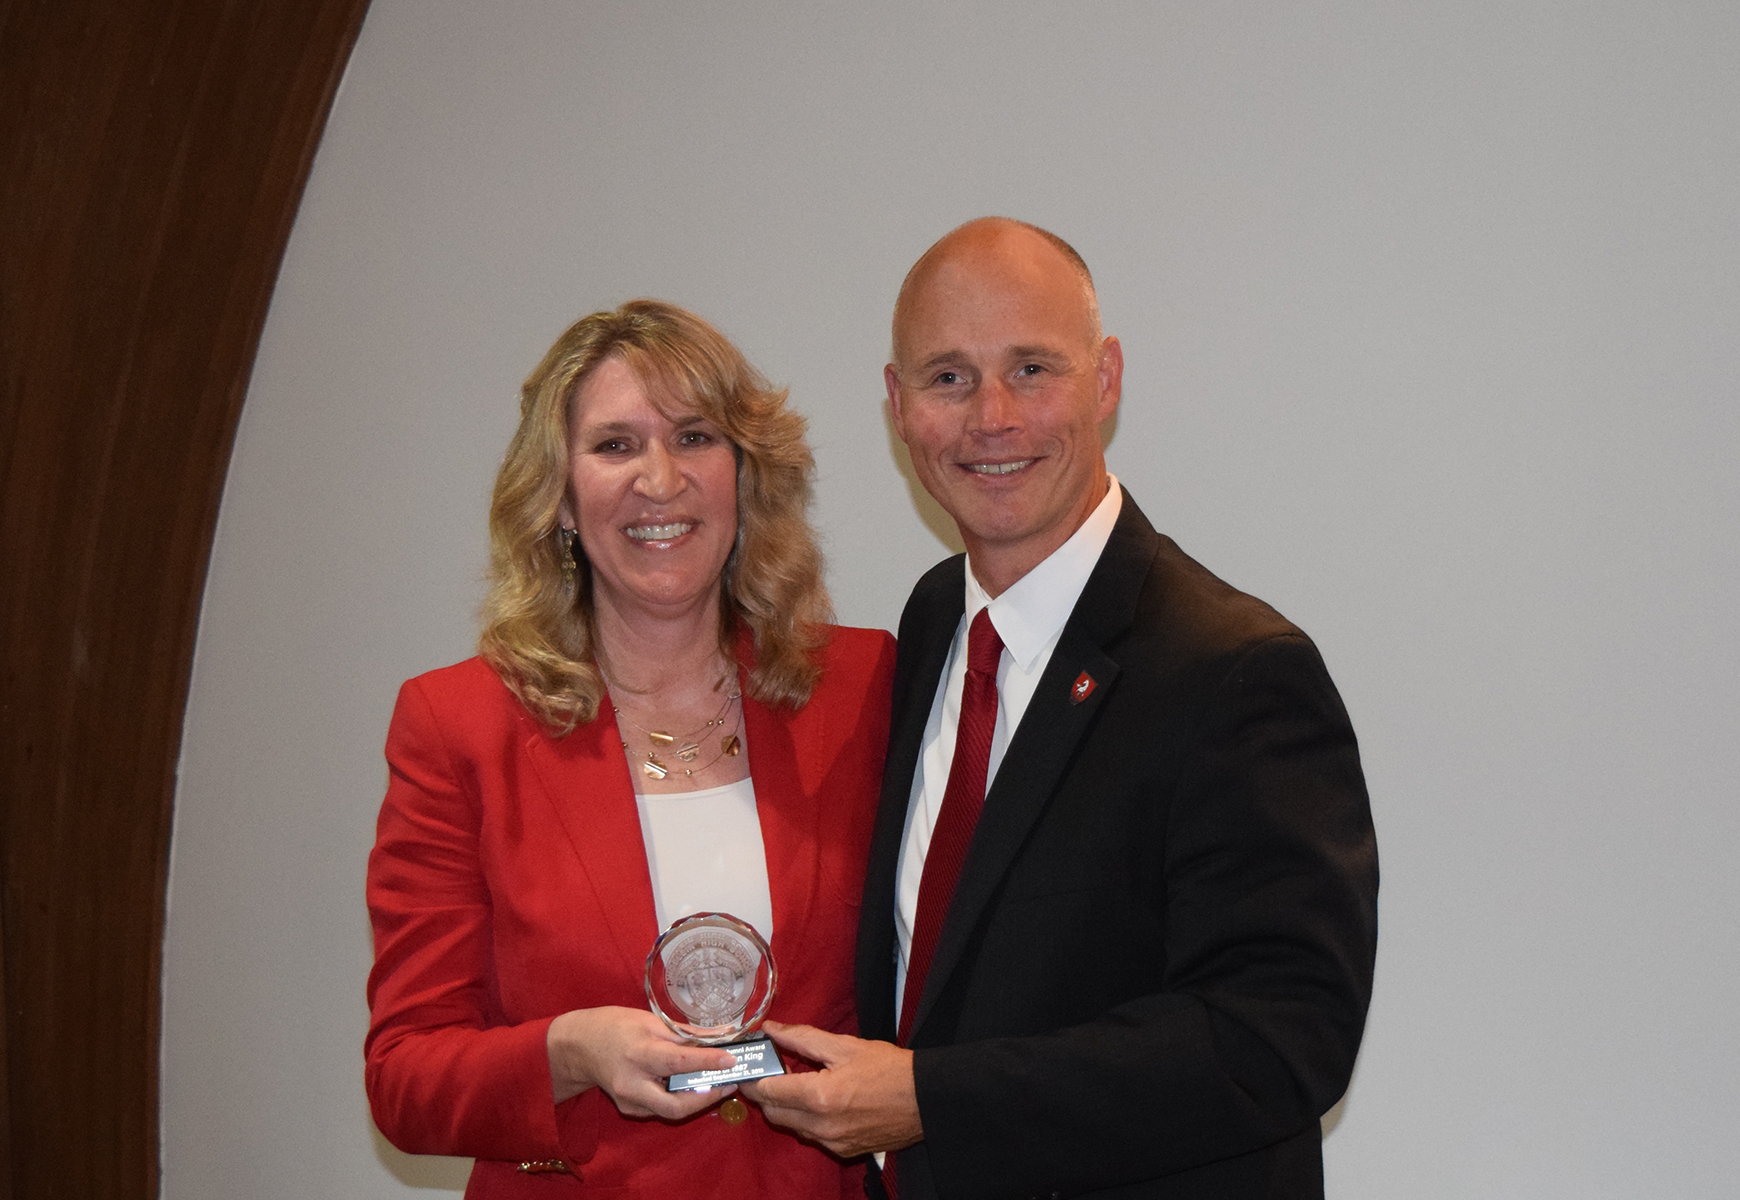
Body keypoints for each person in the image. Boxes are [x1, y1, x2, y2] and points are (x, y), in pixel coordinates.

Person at [742, 219, 1379, 1199]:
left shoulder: (1237, 674)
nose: (991, 417)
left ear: (1107, 380)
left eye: (1032, 368)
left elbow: (1279, 1039)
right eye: (948, 378)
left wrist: (933, 1099)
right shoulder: (929, 626)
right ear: (896, 404)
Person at [365, 300, 895, 1197]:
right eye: (615, 446)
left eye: (694, 437)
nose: (660, 480)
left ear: (744, 474)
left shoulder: (864, 687)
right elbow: (405, 1078)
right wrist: (566, 1052)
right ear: (562, 499)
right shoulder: (457, 725)